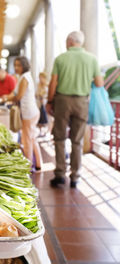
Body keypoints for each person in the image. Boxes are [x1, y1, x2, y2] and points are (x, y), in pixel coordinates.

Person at [47, 31, 104, 188]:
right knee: (77, 140)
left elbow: (53, 82)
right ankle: (75, 176)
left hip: (62, 101)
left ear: (70, 42)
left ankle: (60, 174)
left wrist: (49, 101)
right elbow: (99, 83)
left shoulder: (61, 58)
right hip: (81, 102)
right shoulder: (92, 59)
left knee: (59, 138)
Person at [4, 57, 43, 169]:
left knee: (27, 140)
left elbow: (19, 96)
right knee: (32, 138)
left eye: (19, 65)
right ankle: (39, 164)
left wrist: (6, 99)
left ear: (24, 65)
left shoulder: (24, 78)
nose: (16, 68)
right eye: (15, 65)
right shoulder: (24, 77)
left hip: (28, 113)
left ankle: (28, 166)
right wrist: (8, 97)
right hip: (31, 111)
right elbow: (16, 93)